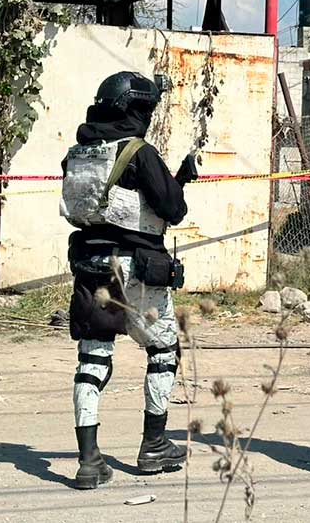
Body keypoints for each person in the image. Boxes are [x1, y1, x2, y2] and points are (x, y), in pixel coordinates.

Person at [59, 71, 199, 489]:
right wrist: (181, 180)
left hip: (91, 269)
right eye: (146, 108)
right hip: (137, 272)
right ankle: (154, 446)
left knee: (92, 361)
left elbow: (110, 204)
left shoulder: (78, 153)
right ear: (135, 109)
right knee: (163, 351)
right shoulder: (139, 151)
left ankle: (88, 462)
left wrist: (178, 176)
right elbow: (172, 210)